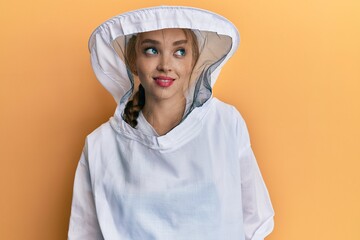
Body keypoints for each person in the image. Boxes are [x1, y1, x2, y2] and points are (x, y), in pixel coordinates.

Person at [68, 6, 274, 240]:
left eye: (179, 52)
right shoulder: (100, 145)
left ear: (193, 61)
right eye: (151, 50)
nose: (165, 64)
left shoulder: (226, 124)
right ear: (133, 61)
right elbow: (85, 234)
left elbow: (255, 220)